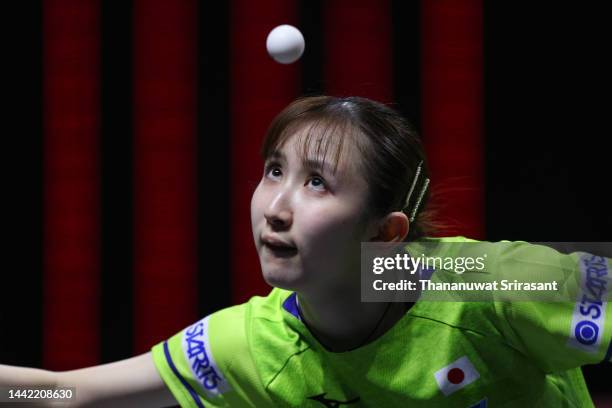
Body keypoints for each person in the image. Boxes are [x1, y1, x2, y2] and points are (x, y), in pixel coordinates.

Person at [1, 96, 610, 407]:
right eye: (273, 171)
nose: (276, 206)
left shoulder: (484, 282)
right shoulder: (257, 344)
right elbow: (67, 393)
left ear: (388, 233)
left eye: (317, 181)